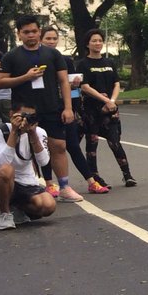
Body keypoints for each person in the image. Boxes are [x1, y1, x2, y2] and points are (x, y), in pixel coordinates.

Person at [0, 16, 82, 202]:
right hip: (24, 109)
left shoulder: (53, 54)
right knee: (26, 148)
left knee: (58, 145)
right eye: (26, 32)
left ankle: (64, 187)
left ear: (39, 31)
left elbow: (64, 81)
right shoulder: (11, 56)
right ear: (19, 34)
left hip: (52, 107)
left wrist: (68, 107)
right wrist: (25, 77)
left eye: (34, 31)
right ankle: (35, 185)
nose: (31, 35)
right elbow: (0, 82)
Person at [41, 25, 110, 194]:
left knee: (73, 145)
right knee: (46, 148)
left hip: (65, 109)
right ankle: (49, 183)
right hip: (43, 110)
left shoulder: (66, 61)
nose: (51, 42)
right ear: (41, 40)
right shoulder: (36, 60)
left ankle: (91, 181)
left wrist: (73, 102)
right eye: (47, 38)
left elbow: (72, 89)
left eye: (54, 38)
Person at [78, 29, 137, 187]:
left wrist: (111, 101)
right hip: (91, 110)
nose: (97, 43)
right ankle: (95, 178)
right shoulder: (83, 64)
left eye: (100, 40)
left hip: (110, 109)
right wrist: (104, 99)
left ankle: (127, 175)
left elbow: (116, 84)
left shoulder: (109, 63)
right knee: (92, 143)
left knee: (114, 142)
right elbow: (85, 87)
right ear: (87, 44)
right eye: (94, 41)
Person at [0, 101, 57, 230]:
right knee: (6, 170)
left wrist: (33, 135)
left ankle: (18, 208)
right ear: (11, 114)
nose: (27, 120)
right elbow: (3, 161)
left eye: (31, 116)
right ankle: (5, 214)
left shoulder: (39, 132)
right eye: (23, 115)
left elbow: (44, 162)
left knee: (48, 206)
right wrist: (14, 132)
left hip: (26, 182)